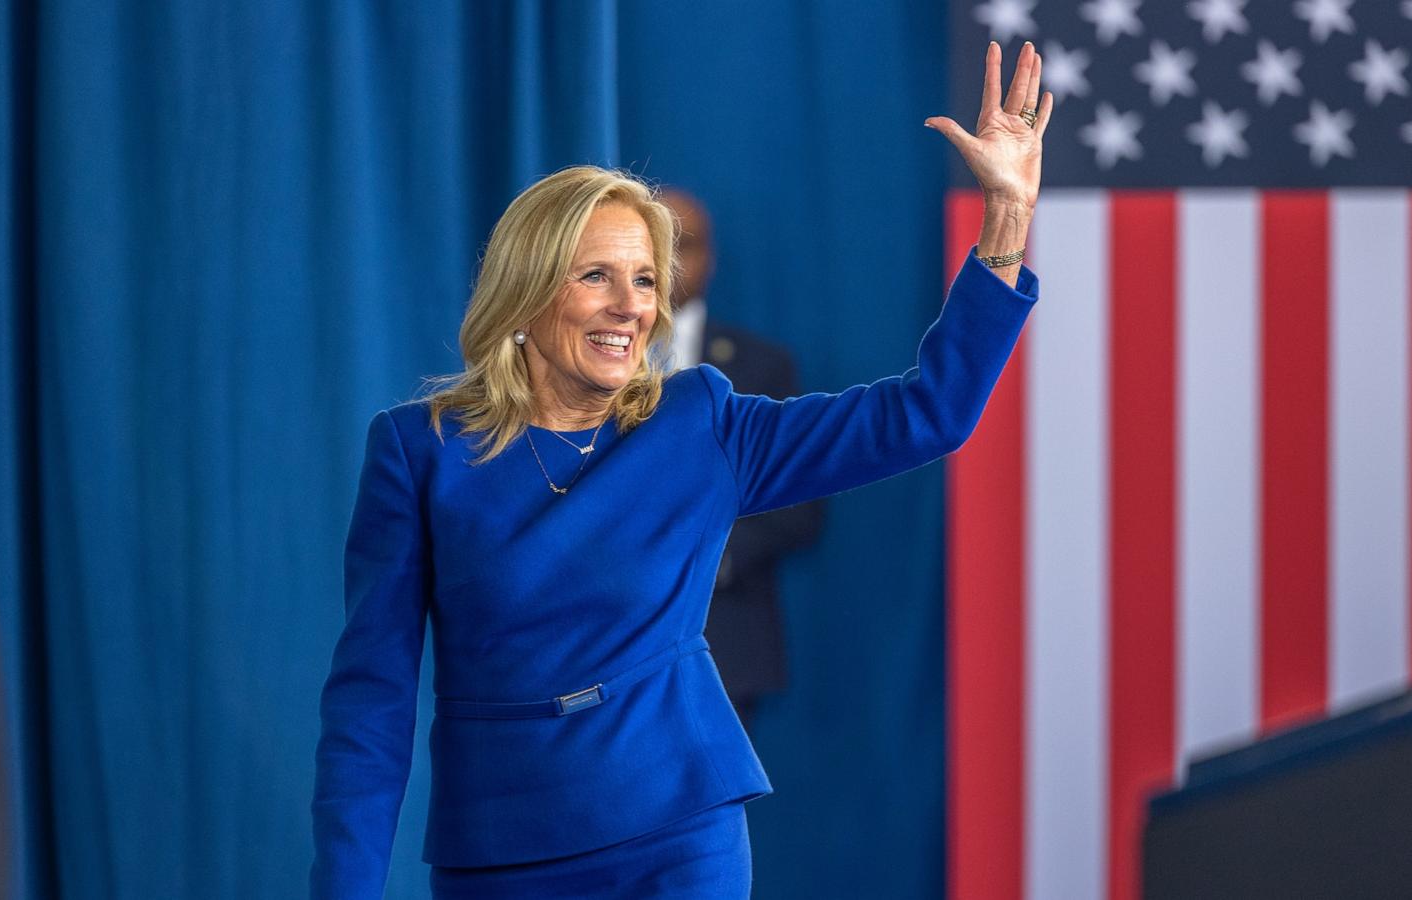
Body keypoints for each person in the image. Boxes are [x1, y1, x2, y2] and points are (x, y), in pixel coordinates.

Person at [310, 40, 1053, 900]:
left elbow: (927, 414)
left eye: (646, 280)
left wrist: (1006, 219)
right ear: (527, 290)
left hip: (679, 832)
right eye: (597, 277)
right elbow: (370, 703)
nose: (633, 306)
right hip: (503, 847)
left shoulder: (699, 422)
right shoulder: (419, 451)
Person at [661, 188, 824, 727]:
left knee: (707, 811)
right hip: (598, 644)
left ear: (711, 258)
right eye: (651, 244)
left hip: (722, 638)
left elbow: (797, 509)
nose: (666, 263)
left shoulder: (760, 367)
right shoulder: (585, 360)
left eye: (682, 246)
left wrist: (701, 555)